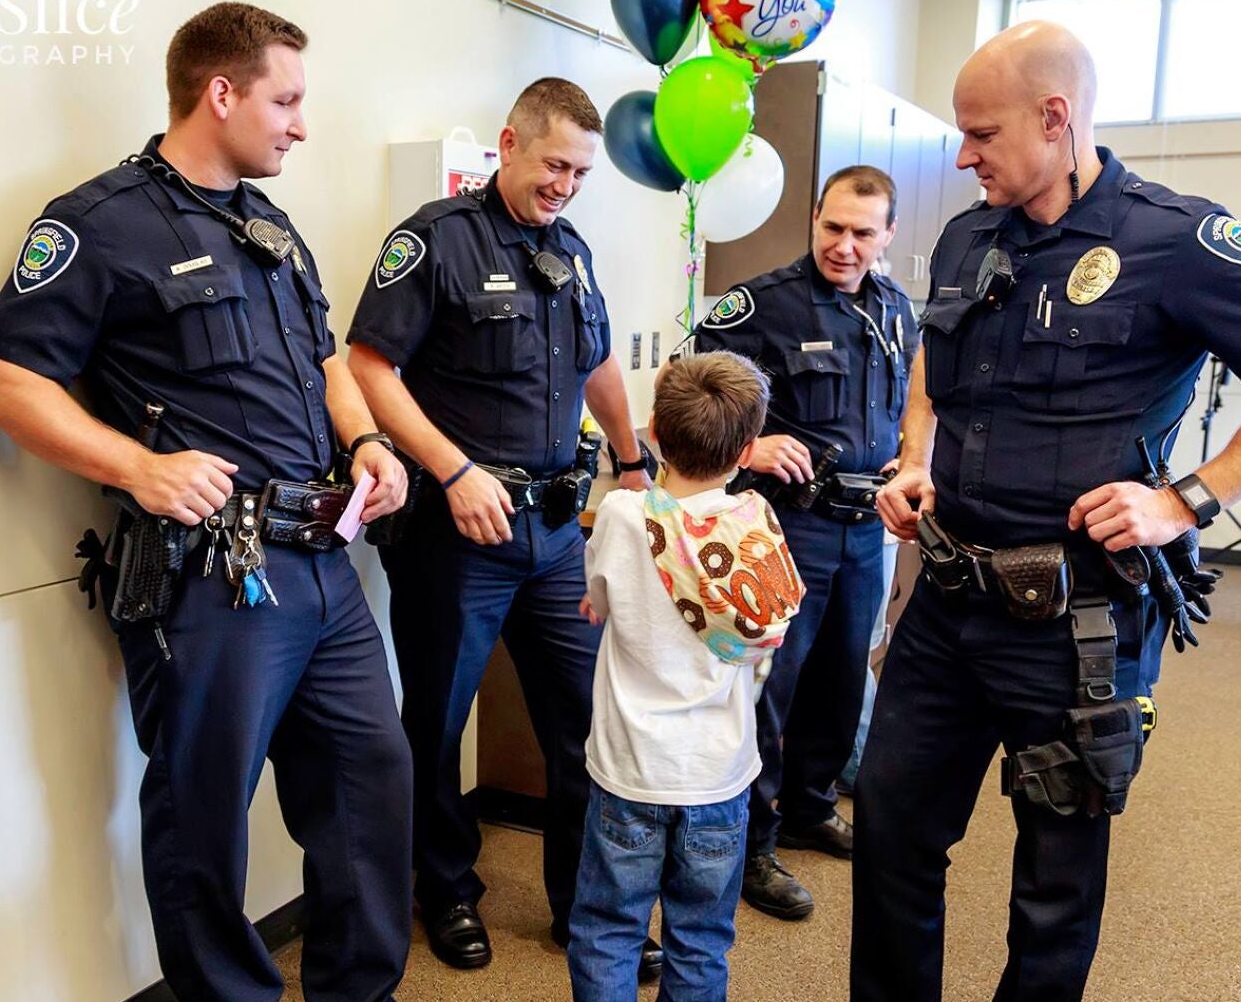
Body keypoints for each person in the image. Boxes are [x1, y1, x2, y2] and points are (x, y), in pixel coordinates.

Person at [859, 20, 1241, 1001]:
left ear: (1055, 117)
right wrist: (917, 454)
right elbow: (931, 353)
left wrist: (1187, 499)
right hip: (946, 604)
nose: (962, 156)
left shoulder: (1176, 239)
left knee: (1054, 884)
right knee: (889, 831)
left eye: (982, 134)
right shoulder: (968, 234)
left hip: (1072, 621)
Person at [0, 3, 413, 1002]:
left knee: (371, 784)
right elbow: (2, 377)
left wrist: (367, 440)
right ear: (220, 93)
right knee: (203, 816)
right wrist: (137, 466)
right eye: (286, 101)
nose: (301, 125)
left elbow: (326, 361)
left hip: (323, 562)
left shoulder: (270, 225)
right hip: (215, 579)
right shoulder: (100, 224)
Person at [346, 78, 660, 976]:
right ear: (509, 144)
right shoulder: (435, 240)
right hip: (458, 536)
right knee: (438, 724)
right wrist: (451, 469)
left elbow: (598, 360)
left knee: (586, 719)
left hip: (555, 534)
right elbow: (369, 366)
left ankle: (583, 905)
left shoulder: (572, 250)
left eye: (581, 172)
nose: (565, 184)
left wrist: (632, 461)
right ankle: (446, 889)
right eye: (555, 164)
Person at [694, 165, 917, 920]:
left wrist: (910, 454)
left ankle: (811, 805)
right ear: (814, 220)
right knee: (772, 690)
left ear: (888, 235)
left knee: (841, 679)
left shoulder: (895, 309)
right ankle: (752, 845)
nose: (844, 246)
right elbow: (692, 390)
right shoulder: (764, 303)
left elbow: (911, 399)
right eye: (833, 228)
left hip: (867, 526)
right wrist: (747, 447)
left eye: (862, 233)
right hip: (792, 526)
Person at [567, 351, 803, 1000]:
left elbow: (597, 598)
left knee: (608, 928)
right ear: (748, 450)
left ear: (656, 434)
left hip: (630, 768)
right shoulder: (756, 523)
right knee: (701, 937)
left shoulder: (623, 515)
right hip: (718, 775)